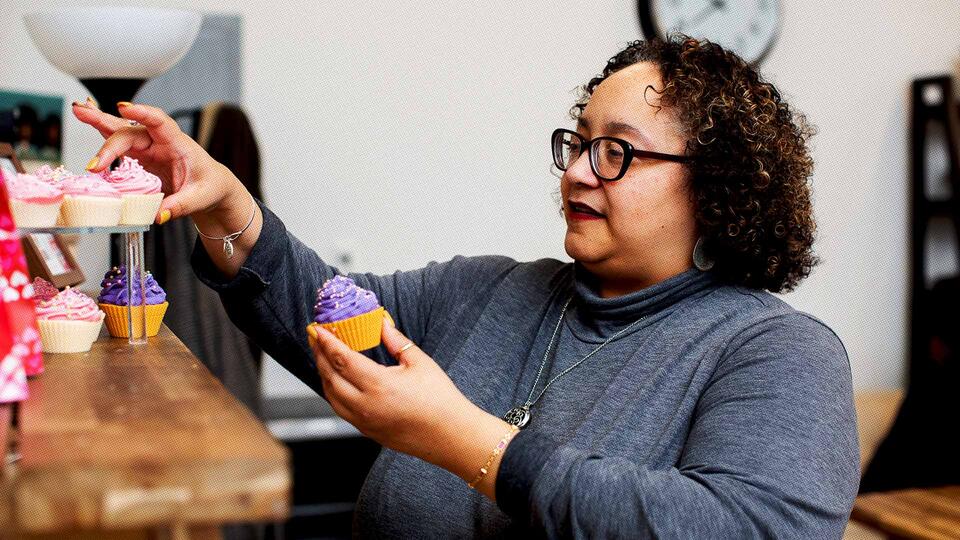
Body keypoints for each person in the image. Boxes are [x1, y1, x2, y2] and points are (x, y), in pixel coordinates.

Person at [73, 36, 860, 538]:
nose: (577, 173)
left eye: (616, 152)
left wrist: (468, 441)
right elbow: (326, 313)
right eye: (578, 143)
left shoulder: (778, 354)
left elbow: (739, 528)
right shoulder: (488, 292)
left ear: (718, 189)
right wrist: (224, 204)